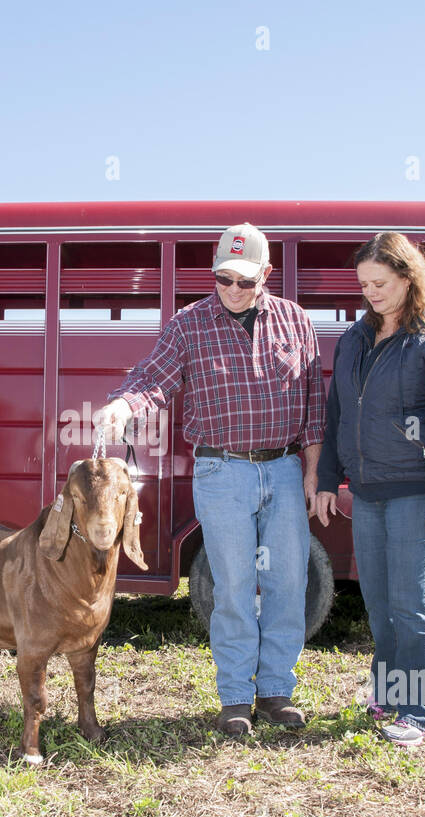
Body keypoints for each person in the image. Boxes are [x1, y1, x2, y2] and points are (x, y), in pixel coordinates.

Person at [94, 223, 325, 736]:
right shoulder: (188, 324)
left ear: (267, 274)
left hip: (285, 469)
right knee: (234, 585)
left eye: (245, 281)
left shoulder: (296, 321)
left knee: (289, 581)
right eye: (224, 279)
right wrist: (121, 405)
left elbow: (314, 405)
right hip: (221, 471)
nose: (234, 290)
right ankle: (236, 697)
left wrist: (312, 471)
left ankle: (276, 691)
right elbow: (152, 378)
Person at [313, 231, 425, 747]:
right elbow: (338, 414)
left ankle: (424, 711)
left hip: (413, 489)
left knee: (410, 603)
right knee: (379, 602)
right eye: (364, 284)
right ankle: (389, 692)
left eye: (381, 282)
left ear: (409, 277)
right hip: (367, 489)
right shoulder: (356, 338)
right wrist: (327, 480)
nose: (372, 292)